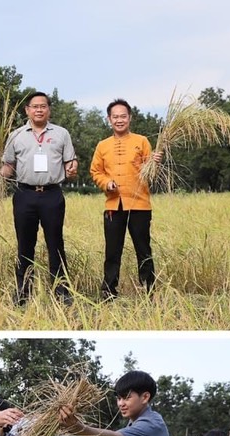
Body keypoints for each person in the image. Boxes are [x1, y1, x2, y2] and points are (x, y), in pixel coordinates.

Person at [0, 92, 79, 305]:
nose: (39, 110)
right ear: (27, 110)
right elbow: (8, 166)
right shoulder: (16, 135)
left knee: (56, 243)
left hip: (52, 195)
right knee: (25, 245)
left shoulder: (62, 134)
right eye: (34, 106)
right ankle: (23, 292)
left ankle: (61, 292)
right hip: (24, 195)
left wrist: (72, 169)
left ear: (49, 109)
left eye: (43, 106)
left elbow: (70, 162)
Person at [91, 99, 162, 300]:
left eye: (123, 116)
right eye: (115, 117)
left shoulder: (142, 142)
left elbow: (151, 173)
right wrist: (106, 183)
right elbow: (96, 171)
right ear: (109, 119)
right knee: (112, 251)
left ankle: (149, 292)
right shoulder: (102, 145)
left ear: (130, 118)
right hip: (114, 205)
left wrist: (155, 162)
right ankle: (108, 292)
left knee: (143, 249)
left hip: (140, 204)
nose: (119, 120)